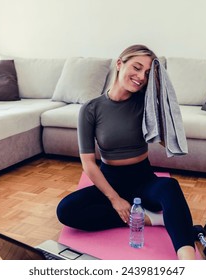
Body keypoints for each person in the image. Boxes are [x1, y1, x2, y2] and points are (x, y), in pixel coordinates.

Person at [56, 44, 196, 260]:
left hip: (143, 179)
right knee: (66, 210)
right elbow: (89, 164)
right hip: (111, 181)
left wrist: (161, 99)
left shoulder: (146, 104)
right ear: (119, 63)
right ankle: (151, 218)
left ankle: (188, 261)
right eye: (137, 67)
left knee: (169, 187)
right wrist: (114, 199)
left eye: (147, 74)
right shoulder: (91, 109)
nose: (141, 77)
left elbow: (167, 141)